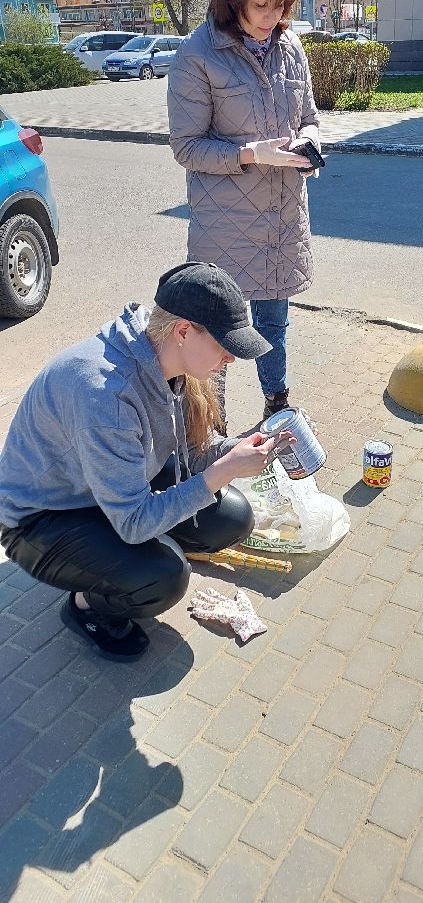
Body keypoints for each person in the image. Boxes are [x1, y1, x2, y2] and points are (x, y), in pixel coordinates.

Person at [0, 262, 293, 661]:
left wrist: (239, 451)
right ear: (184, 330)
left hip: (103, 484)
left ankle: (121, 557)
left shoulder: (168, 359)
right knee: (165, 577)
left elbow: (193, 452)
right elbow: (135, 522)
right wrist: (221, 472)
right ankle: (88, 605)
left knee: (232, 518)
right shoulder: (107, 394)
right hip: (41, 518)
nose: (231, 359)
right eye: (225, 346)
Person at [168, 0, 321, 427]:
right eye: (259, 4)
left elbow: (310, 116)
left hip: (281, 219)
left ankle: (277, 404)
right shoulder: (197, 55)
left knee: (275, 321)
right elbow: (187, 147)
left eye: (280, 5)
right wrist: (254, 153)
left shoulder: (291, 47)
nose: (270, 17)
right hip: (227, 226)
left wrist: (311, 142)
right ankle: (213, 427)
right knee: (218, 333)